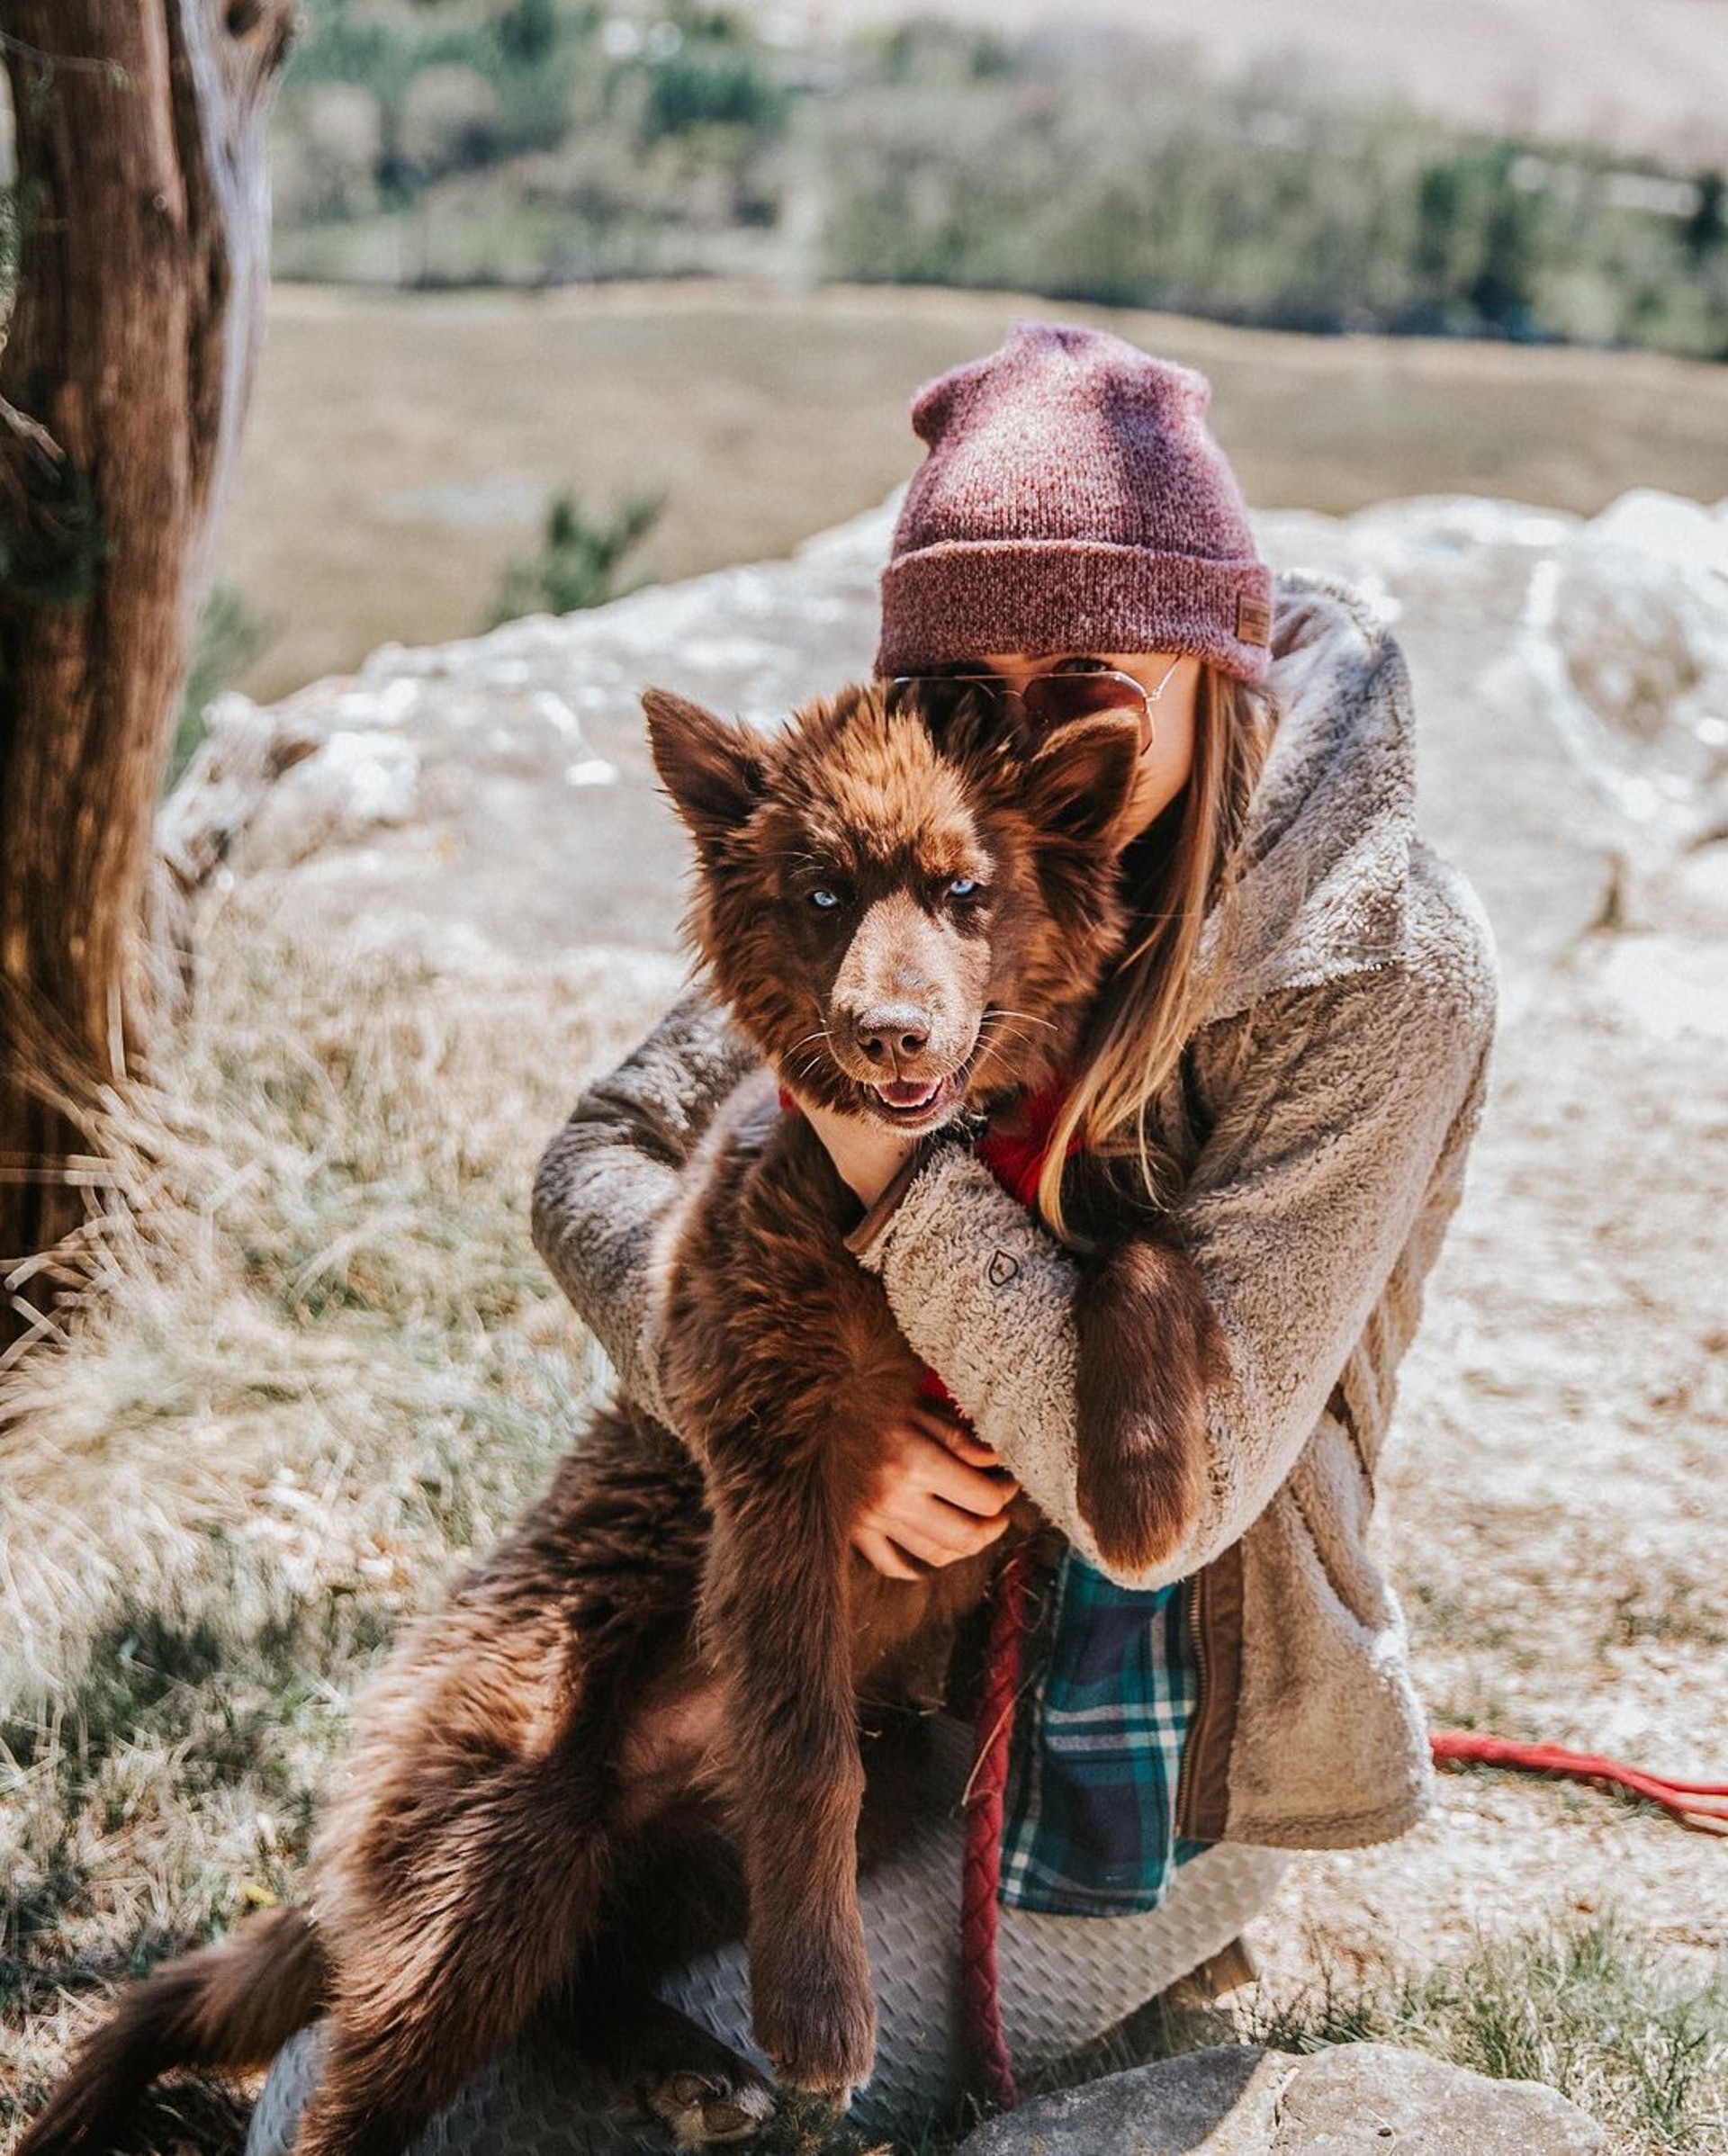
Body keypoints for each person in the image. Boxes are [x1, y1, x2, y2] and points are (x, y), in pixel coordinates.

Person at [248, 319, 1500, 2153]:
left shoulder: (1376, 965)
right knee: (329, 2096)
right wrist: (784, 1435)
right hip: (813, 1636)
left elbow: (1173, 1490)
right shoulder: (920, 853)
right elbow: (597, 1156)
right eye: (966, 682)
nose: (1028, 724)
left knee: (552, 2130)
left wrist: (886, 1169)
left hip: (1147, 1724)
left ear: (1202, 651)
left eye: (1091, 666)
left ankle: (1152, 1955)